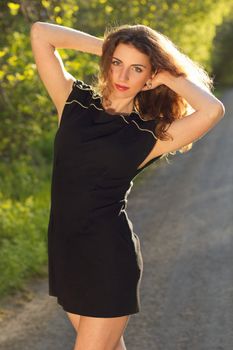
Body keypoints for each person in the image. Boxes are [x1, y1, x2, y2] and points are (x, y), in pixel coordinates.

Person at [30, 21, 225, 350]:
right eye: (117, 64)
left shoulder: (149, 134)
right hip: (67, 253)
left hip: (109, 258)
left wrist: (168, 74)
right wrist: (109, 48)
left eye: (136, 69)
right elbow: (40, 33)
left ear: (149, 77)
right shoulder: (74, 103)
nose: (122, 77)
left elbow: (213, 110)